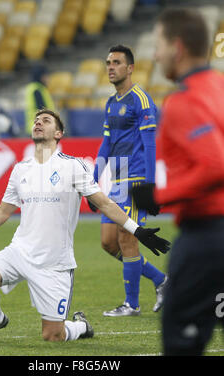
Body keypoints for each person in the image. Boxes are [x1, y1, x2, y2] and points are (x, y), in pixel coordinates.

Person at [0, 109, 170, 343]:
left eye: (46, 121)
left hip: (55, 263)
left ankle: (80, 326)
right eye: (36, 120)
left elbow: (105, 203)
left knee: (53, 336)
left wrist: (138, 230)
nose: (39, 123)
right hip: (20, 251)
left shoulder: (73, 167)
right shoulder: (21, 169)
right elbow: (3, 211)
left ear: (58, 133)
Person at [132, 8, 224, 356]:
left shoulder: (185, 101)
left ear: (178, 47)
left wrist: (160, 196)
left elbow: (215, 164)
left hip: (207, 241)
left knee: (181, 343)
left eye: (158, 44)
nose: (155, 54)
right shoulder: (220, 88)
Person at [89, 45, 167, 317]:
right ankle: (161, 281)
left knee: (127, 236)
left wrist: (149, 184)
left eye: (117, 62)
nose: (110, 67)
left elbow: (150, 144)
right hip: (117, 181)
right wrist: (93, 181)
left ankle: (131, 304)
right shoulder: (112, 103)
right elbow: (106, 145)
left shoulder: (141, 100)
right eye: (108, 62)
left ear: (130, 68)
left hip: (135, 180)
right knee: (109, 242)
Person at [23, 64, 55, 135]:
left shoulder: (33, 88)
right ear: (41, 77)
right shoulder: (37, 90)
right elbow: (42, 110)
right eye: (46, 76)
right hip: (40, 129)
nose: (48, 78)